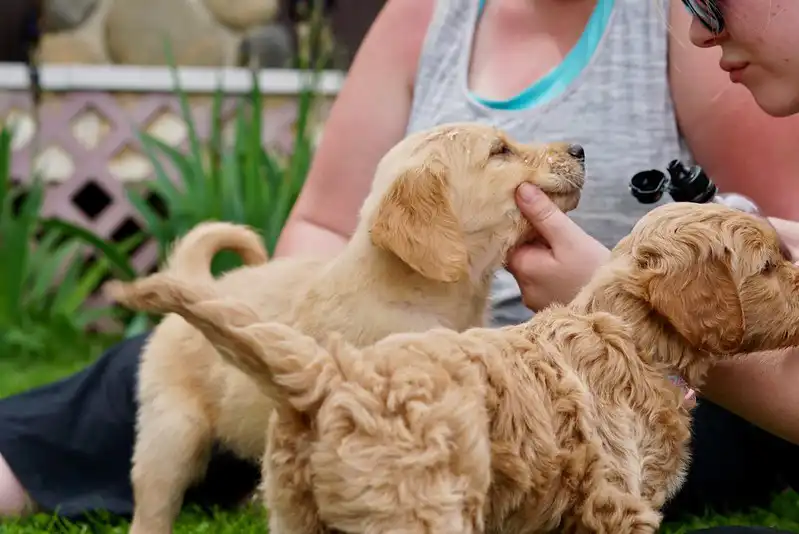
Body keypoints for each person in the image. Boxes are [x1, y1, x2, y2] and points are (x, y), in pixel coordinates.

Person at [0, 0, 798, 530]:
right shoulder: (428, 13)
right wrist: (306, 332)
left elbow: (766, 268)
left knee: (601, 453)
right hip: (390, 352)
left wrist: (603, 299)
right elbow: (319, 219)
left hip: (632, 376)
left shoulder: (700, 24)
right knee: (153, 365)